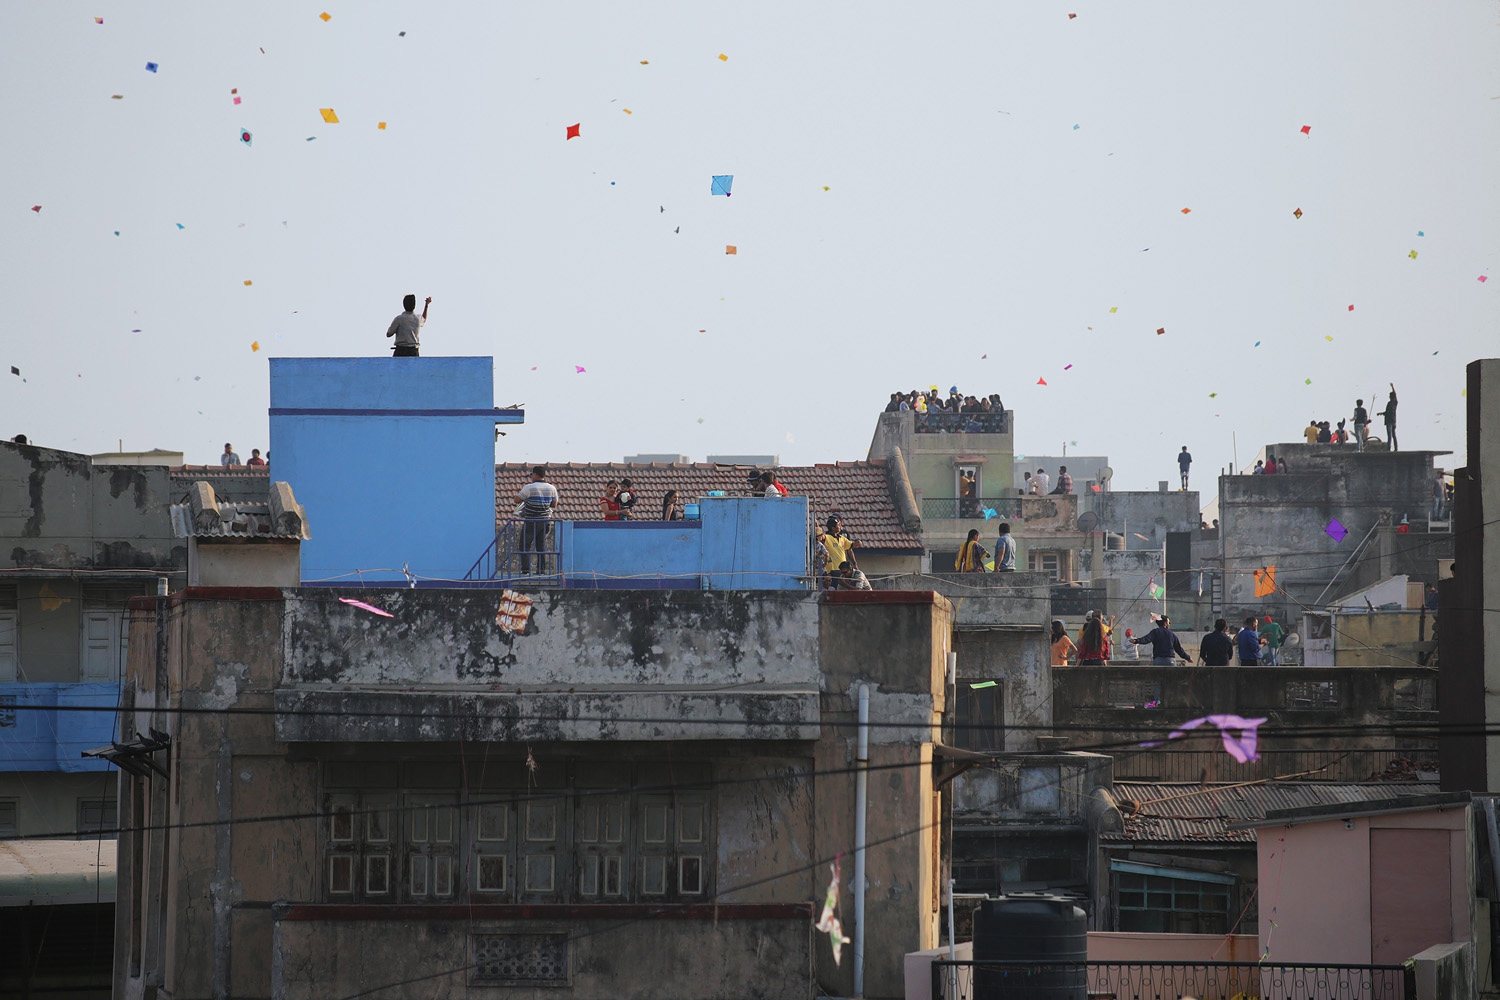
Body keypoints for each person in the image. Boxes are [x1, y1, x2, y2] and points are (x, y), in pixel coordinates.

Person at [516, 466, 558, 574]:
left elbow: (517, 500)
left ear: (535, 474)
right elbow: (554, 504)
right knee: (541, 546)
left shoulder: (529, 487)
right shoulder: (552, 488)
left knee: (524, 545)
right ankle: (541, 570)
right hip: (545, 521)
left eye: (531, 475)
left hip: (531, 520)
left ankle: (525, 570)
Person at [822, 515, 856, 587]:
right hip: (833, 570)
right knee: (834, 588)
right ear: (833, 528)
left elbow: (851, 546)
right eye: (838, 525)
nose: (840, 526)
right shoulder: (827, 537)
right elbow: (819, 536)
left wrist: (858, 543)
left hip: (844, 570)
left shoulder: (842, 538)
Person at [1380, 383, 1398, 451]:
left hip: (1389, 421)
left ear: (1391, 396)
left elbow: (1395, 394)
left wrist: (1392, 386)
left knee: (1389, 435)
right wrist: (1381, 413)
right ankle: (1396, 448)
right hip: (1393, 421)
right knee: (1393, 435)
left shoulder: (1391, 403)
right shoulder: (1394, 402)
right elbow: (1387, 412)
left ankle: (1388, 448)